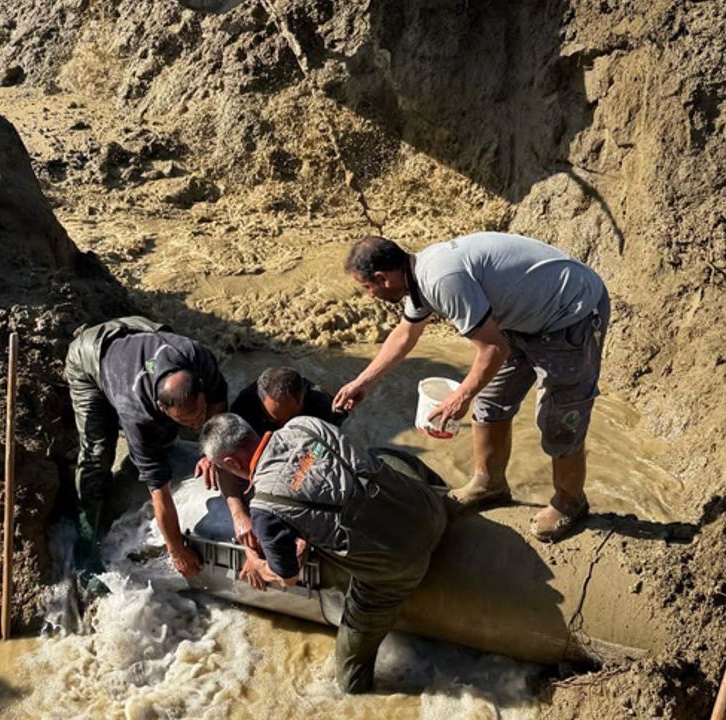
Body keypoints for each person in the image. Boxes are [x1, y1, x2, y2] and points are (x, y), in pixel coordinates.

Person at [332, 232, 610, 543]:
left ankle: (570, 501)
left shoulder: (441, 280)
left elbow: (493, 349)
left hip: (571, 313)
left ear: (382, 278)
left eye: (366, 287)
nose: (369, 296)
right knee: (490, 402)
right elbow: (406, 333)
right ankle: (489, 484)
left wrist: (460, 396)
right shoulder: (419, 279)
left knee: (560, 418)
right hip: (523, 318)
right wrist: (362, 382)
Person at [199, 413, 448, 694]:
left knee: (349, 679)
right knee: (383, 456)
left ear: (232, 463)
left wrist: (256, 564)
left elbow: (288, 577)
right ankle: (448, 491)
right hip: (431, 508)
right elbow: (328, 477)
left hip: (404, 563)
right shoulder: (304, 424)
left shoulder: (265, 510)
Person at [62, 316, 228, 586]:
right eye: (188, 421)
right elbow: (159, 493)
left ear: (199, 385)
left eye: (200, 412)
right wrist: (177, 550)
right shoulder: (137, 415)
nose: (197, 422)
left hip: (136, 330)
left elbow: (219, 402)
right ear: (161, 407)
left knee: (169, 439)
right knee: (97, 453)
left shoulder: (196, 356)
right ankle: (86, 537)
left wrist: (211, 452)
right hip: (92, 357)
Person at [229, 366, 348, 434]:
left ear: (302, 398)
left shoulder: (323, 406)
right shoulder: (245, 405)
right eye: (273, 419)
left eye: (291, 419)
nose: (284, 427)